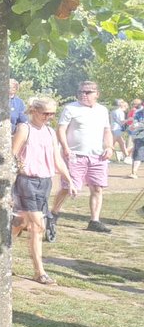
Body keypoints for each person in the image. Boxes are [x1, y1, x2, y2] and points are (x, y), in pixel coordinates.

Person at [12, 98, 74, 284]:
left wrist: (68, 179)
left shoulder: (50, 132)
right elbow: (12, 155)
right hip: (26, 181)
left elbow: (57, 158)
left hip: (44, 182)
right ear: (34, 111)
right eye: (45, 113)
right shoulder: (25, 128)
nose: (49, 117)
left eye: (52, 114)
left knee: (21, 222)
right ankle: (39, 271)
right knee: (38, 226)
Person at [49, 80, 113, 236]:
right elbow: (61, 129)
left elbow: (107, 131)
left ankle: (95, 221)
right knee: (68, 187)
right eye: (81, 92)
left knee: (97, 188)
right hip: (75, 155)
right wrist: (65, 148)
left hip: (97, 156)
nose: (83, 95)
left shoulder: (102, 110)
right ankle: (53, 214)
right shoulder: (70, 108)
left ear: (97, 94)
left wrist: (110, 147)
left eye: (88, 92)